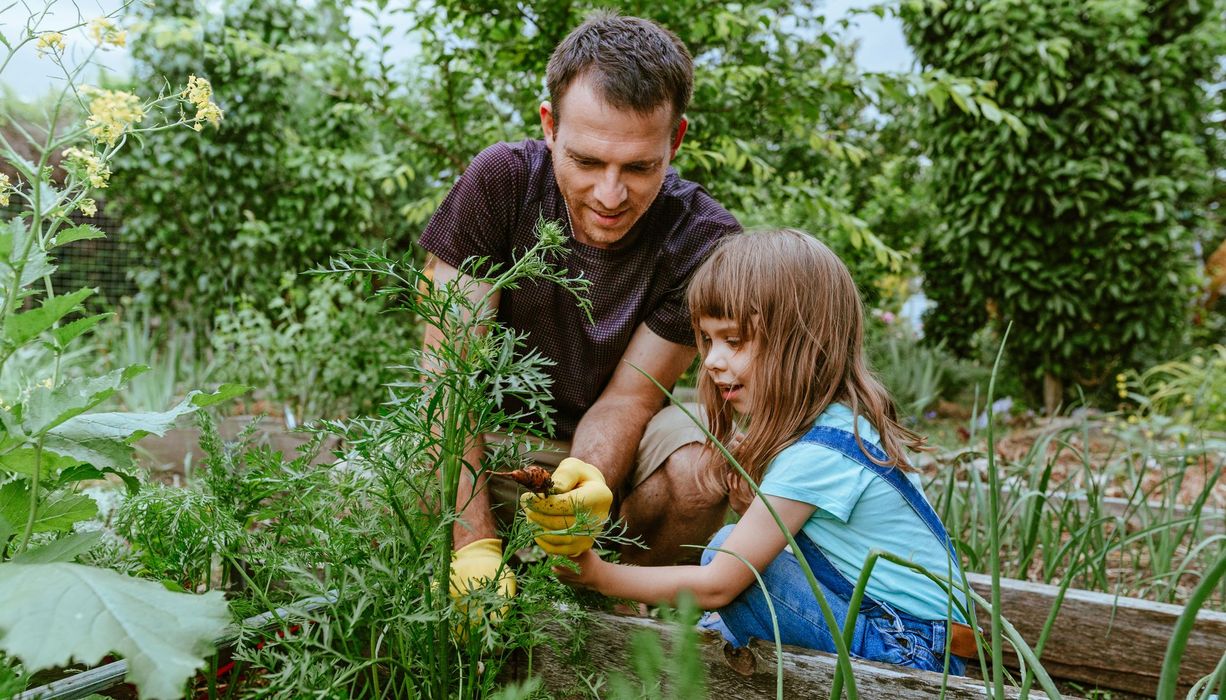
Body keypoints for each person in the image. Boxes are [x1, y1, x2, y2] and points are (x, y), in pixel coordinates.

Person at [420, 12, 742, 604]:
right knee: (378, 483)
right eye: (588, 162)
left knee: (703, 469)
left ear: (675, 142)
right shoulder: (500, 184)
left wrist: (585, 480)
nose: (610, 196)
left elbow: (630, 397)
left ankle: (602, 612)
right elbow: (449, 382)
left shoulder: (702, 239)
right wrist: (473, 548)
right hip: (488, 437)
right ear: (550, 126)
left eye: (640, 167)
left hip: (611, 442)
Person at [552, 229, 977, 674]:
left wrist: (601, 575)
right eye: (708, 339)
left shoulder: (817, 455)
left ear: (804, 343)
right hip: (913, 636)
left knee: (725, 559)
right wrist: (753, 508)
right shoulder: (839, 426)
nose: (713, 359)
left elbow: (719, 584)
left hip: (910, 651)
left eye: (734, 341)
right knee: (731, 581)